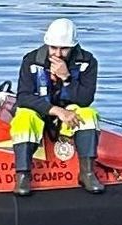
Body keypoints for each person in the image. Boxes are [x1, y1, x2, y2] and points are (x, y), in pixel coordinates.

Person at [12, 17, 102, 196]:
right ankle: (23, 175)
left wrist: (66, 78)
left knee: (89, 114)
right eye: (54, 48)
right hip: (42, 112)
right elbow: (23, 97)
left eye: (64, 49)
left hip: (71, 115)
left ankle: (87, 172)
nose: (58, 54)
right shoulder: (31, 61)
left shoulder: (88, 62)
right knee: (23, 118)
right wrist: (56, 111)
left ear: (73, 47)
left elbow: (85, 99)